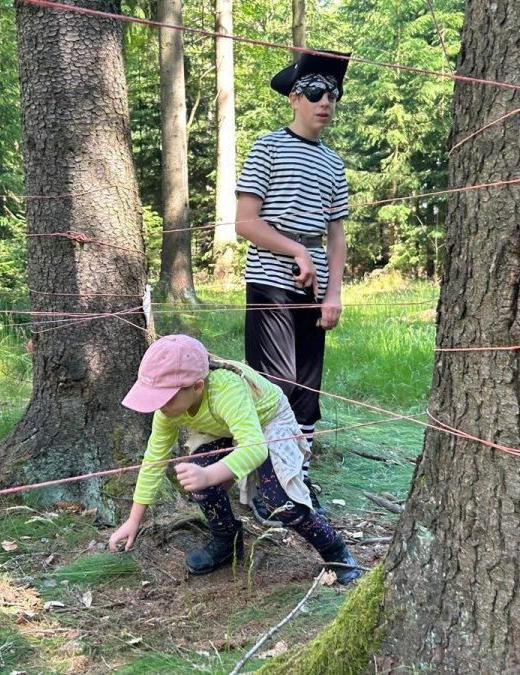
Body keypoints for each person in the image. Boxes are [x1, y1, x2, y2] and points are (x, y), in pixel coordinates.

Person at [107, 334, 362, 584]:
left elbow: (255, 448)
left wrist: (209, 475)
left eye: (165, 397)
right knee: (199, 480)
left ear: (197, 387)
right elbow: (154, 458)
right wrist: (134, 520)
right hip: (224, 428)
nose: (159, 406)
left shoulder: (226, 390)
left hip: (268, 421)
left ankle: (335, 551)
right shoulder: (168, 410)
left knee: (281, 501)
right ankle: (227, 540)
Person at [235, 50, 352, 519]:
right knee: (274, 386)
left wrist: (333, 292)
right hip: (270, 281)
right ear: (294, 98)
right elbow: (246, 222)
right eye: (316, 92)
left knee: (306, 389)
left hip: (315, 289)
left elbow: (337, 236)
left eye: (333, 95)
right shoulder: (267, 147)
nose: (326, 102)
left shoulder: (334, 164)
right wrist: (296, 251)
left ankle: (295, 481)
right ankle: (265, 488)